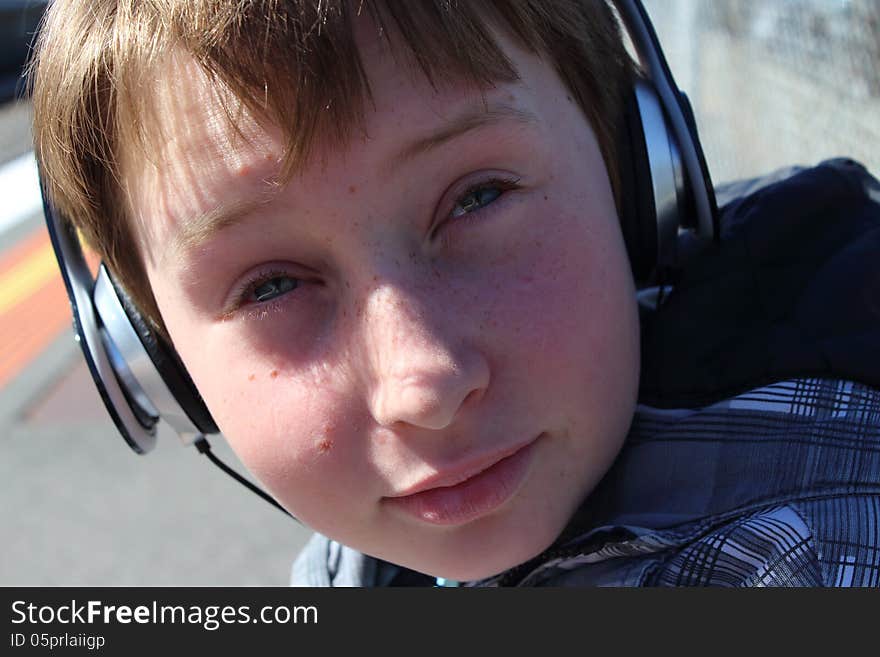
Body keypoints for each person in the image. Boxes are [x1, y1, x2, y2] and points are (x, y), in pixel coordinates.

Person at [30, 0, 880, 587]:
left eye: (476, 198)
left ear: (641, 174)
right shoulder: (356, 563)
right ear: (155, 360)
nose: (425, 385)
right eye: (273, 285)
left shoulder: (805, 545)